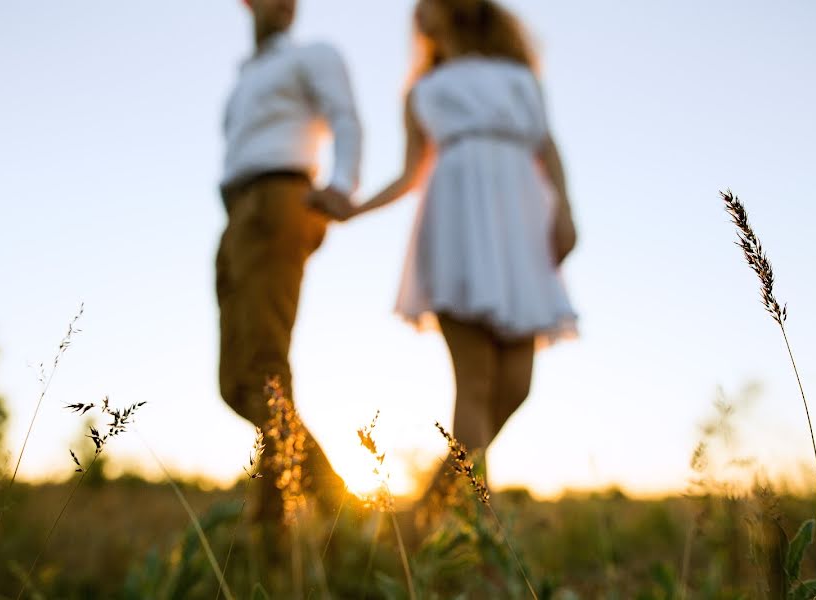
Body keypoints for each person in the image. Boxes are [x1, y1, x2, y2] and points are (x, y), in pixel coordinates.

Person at [341, 0, 578, 504]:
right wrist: (356, 210)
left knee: (516, 383)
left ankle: (428, 510)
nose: (419, 13)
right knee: (474, 382)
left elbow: (547, 146)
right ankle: (473, 530)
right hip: (455, 230)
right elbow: (409, 175)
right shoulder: (422, 91)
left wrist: (566, 212)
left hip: (520, 232)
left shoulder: (517, 78)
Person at [216, 0, 362, 520]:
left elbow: (344, 115)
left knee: (262, 370)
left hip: (281, 201)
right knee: (236, 384)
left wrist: (342, 183)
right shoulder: (247, 76)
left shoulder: (312, 55)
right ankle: (310, 516)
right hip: (238, 214)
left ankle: (307, 526)